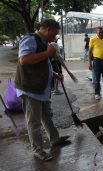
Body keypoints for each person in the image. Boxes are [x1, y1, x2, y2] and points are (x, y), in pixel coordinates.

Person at [14, 19, 70, 161]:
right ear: (46, 29)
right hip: (30, 88)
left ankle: (54, 139)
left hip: (41, 88)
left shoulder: (44, 43)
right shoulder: (30, 39)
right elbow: (24, 60)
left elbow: (43, 64)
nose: (55, 37)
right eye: (55, 33)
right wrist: (48, 53)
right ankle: (37, 149)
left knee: (47, 115)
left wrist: (55, 75)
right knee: (34, 121)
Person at [88, 27, 103, 100]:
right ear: (97, 32)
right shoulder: (93, 39)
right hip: (97, 61)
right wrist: (89, 63)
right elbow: (89, 53)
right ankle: (97, 93)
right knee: (97, 79)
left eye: (102, 32)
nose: (101, 34)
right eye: (99, 32)